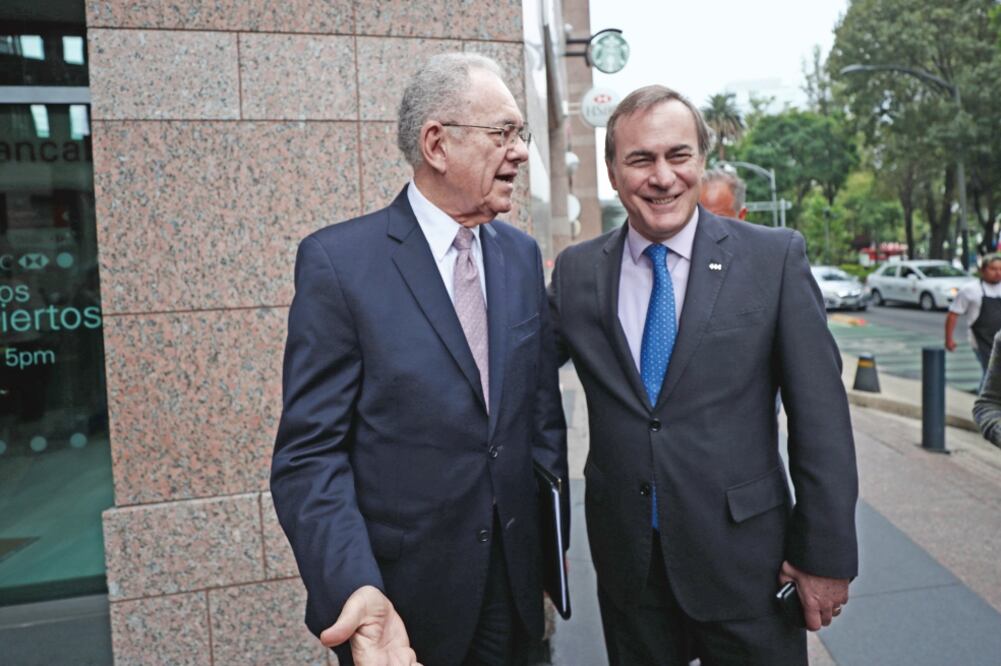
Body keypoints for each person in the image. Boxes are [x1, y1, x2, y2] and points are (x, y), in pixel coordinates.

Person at [271, 52, 568, 666]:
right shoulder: (339, 265)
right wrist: (353, 585)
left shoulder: (519, 255)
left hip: (517, 594)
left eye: (521, 134)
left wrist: (550, 551)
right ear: (437, 144)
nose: (519, 152)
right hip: (403, 610)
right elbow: (309, 456)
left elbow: (540, 418)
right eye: (503, 133)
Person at [548, 85, 858, 665]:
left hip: (748, 565)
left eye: (678, 155)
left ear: (700, 160)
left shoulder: (773, 259)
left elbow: (821, 419)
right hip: (630, 569)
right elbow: (525, 394)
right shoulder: (576, 273)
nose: (663, 177)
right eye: (641, 159)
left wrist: (825, 556)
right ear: (613, 173)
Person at [945, 254, 1001, 375]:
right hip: (982, 342)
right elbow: (953, 315)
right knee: (991, 374)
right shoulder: (970, 290)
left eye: (1000, 269)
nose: (998, 273)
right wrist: (949, 339)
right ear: (982, 270)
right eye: (993, 269)